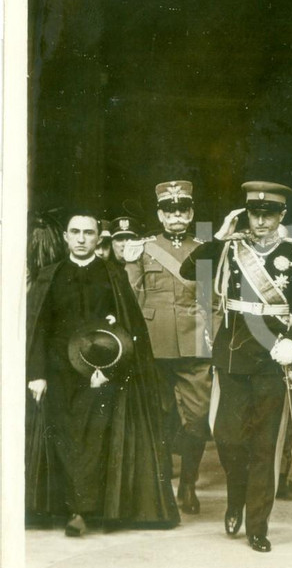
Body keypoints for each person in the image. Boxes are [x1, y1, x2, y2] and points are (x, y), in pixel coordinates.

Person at [179, 182, 292, 553]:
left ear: (281, 215)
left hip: (272, 357)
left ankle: (257, 525)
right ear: (246, 215)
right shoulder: (230, 248)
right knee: (228, 438)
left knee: (264, 445)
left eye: (268, 214)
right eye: (254, 214)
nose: (261, 222)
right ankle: (235, 498)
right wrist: (220, 236)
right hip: (234, 355)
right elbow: (189, 269)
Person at [26, 211, 179, 535]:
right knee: (64, 439)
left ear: (98, 238)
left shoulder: (113, 275)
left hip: (102, 372)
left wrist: (110, 366)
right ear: (66, 237)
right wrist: (37, 374)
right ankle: (69, 507)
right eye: (75, 232)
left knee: (94, 441)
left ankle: (84, 511)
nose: (81, 239)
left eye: (88, 233)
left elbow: (128, 326)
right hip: (58, 373)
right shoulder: (50, 275)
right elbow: (38, 328)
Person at [124, 181, 215, 515]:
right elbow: (131, 299)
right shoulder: (143, 249)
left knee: (198, 418)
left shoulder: (203, 248)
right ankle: (162, 484)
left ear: (190, 214)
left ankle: (188, 483)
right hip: (154, 344)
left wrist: (214, 340)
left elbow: (212, 299)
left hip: (195, 344)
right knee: (158, 416)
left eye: (182, 210)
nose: (176, 216)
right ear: (160, 215)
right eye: (169, 210)